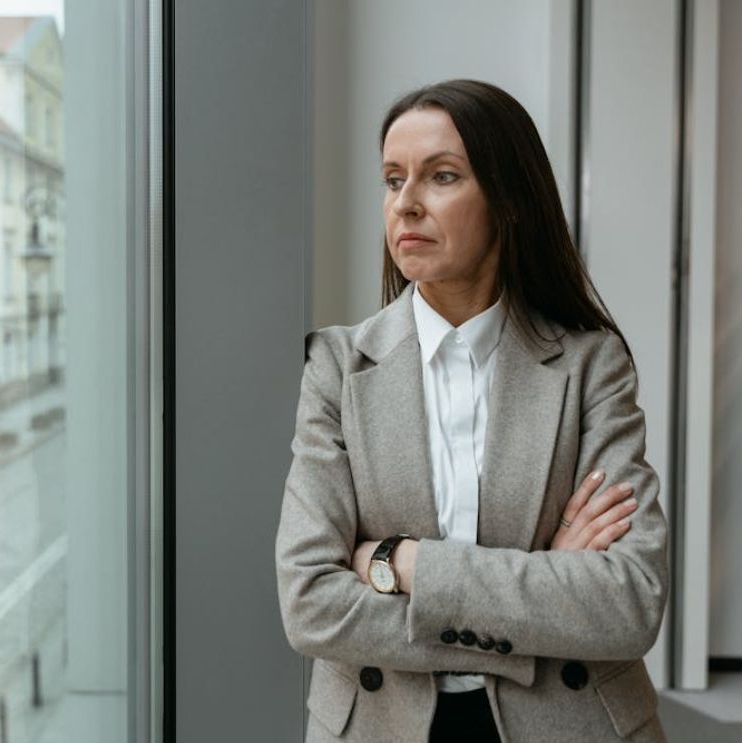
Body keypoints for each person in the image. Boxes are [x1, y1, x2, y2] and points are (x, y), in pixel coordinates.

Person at [275, 79, 669, 742]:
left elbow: (627, 601)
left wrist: (401, 562)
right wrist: (539, 600)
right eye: (393, 179)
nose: (405, 204)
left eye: (442, 176)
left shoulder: (590, 365)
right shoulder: (337, 369)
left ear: (509, 200)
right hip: (380, 721)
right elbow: (311, 604)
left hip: (566, 720)